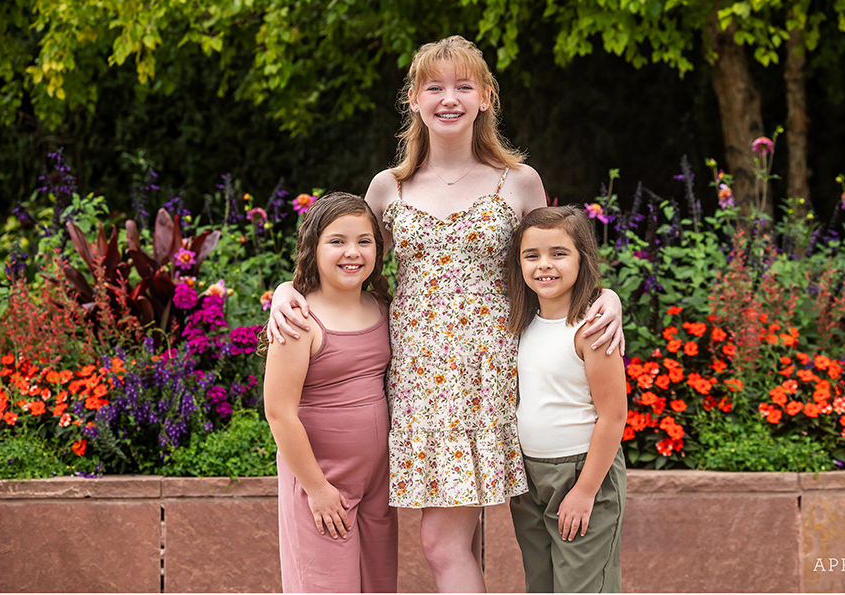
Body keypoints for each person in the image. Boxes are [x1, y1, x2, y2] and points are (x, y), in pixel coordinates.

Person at [267, 35, 624, 592]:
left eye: (463, 85)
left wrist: (608, 297)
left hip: (492, 378)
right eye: (434, 86)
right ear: (414, 98)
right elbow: (350, 265)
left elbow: (557, 256)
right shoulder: (388, 188)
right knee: (455, 539)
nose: (448, 97)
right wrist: (288, 292)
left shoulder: (520, 181)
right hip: (417, 384)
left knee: (442, 543)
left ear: (487, 96)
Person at [263, 192, 397, 593]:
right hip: (321, 482)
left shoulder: (383, 308)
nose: (351, 252)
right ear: (313, 247)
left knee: (379, 584)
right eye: (337, 241)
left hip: (378, 483)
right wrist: (316, 489)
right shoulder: (299, 321)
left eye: (364, 241)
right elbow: (279, 413)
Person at [506, 206, 628, 593]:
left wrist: (586, 490)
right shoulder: (519, 322)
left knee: (581, 586)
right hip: (529, 477)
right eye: (532, 255)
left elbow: (613, 417)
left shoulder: (592, 330)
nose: (545, 265)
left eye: (559, 253)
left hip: (580, 474)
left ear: (582, 258)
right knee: (540, 584)